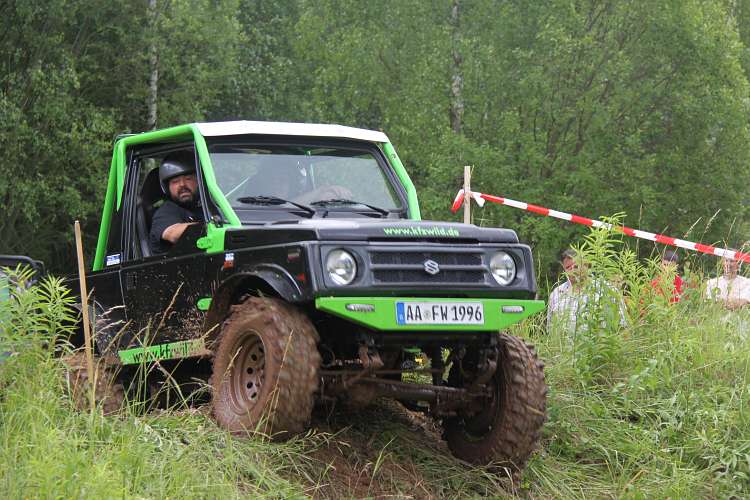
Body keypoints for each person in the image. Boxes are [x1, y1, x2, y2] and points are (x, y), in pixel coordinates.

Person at [547, 248, 626, 334]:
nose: (573, 270)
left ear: (587, 265)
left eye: (576, 266)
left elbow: (623, 328)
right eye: (568, 267)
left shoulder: (607, 290)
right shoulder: (557, 293)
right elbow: (550, 329)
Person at [149, 153, 205, 254]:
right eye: (175, 181)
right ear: (167, 187)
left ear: (198, 182)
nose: (182, 184)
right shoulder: (166, 211)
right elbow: (173, 233)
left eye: (188, 178)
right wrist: (212, 228)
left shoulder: (206, 206)